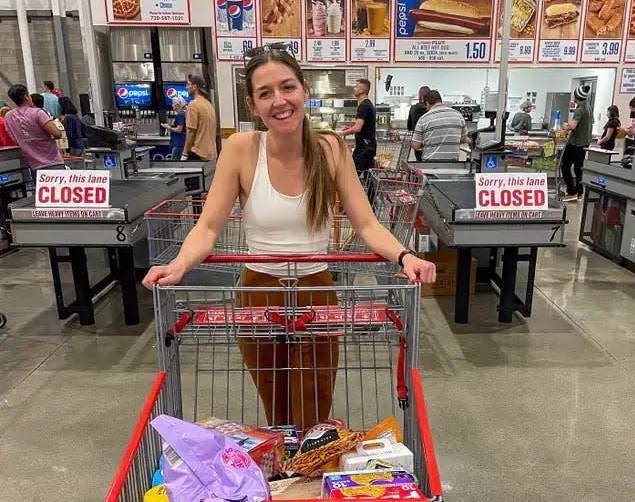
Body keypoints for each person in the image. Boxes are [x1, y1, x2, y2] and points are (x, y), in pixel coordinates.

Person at [142, 45, 436, 428]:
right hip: (257, 291)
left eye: (287, 87)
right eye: (265, 93)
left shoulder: (330, 148)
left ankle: (308, 474)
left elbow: (366, 224)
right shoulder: (240, 149)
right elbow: (209, 226)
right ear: (252, 104)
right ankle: (284, 478)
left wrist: (405, 256)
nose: (279, 101)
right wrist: (179, 264)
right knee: (275, 403)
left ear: (304, 91)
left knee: (314, 403)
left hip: (317, 289)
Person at [4, 84, 65, 180]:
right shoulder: (38, 113)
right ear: (26, 97)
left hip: (34, 165)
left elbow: (15, 139)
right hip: (53, 162)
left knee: (41, 194)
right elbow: (57, 134)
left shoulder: (8, 116)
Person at [410, 90, 467, 161]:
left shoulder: (424, 119)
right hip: (453, 164)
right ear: (440, 101)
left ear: (427, 103)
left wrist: (428, 142)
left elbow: (415, 145)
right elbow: (464, 139)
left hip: (429, 164)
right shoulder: (458, 115)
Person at [560, 85, 593, 202]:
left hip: (575, 144)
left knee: (565, 166)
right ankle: (579, 192)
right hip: (585, 143)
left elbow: (573, 126)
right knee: (579, 169)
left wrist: (565, 126)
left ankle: (571, 191)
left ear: (576, 96)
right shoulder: (588, 107)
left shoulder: (579, 110)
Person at [342, 79, 376, 176]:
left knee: (351, 177)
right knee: (369, 178)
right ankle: (370, 192)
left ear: (362, 91)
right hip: (369, 146)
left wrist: (340, 133)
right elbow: (362, 125)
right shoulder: (367, 104)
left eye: (356, 86)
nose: (354, 88)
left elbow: (357, 128)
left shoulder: (364, 106)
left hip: (364, 148)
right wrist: (349, 128)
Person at [183, 75, 217, 161]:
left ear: (194, 87)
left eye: (188, 84)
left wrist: (185, 154)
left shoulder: (193, 105)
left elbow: (191, 132)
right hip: (211, 154)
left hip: (197, 154)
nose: (186, 87)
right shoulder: (209, 105)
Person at [407, 86, 430, 161]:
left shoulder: (413, 108)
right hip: (429, 143)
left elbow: (409, 126)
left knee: (419, 163)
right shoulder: (430, 110)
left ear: (419, 95)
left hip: (417, 142)